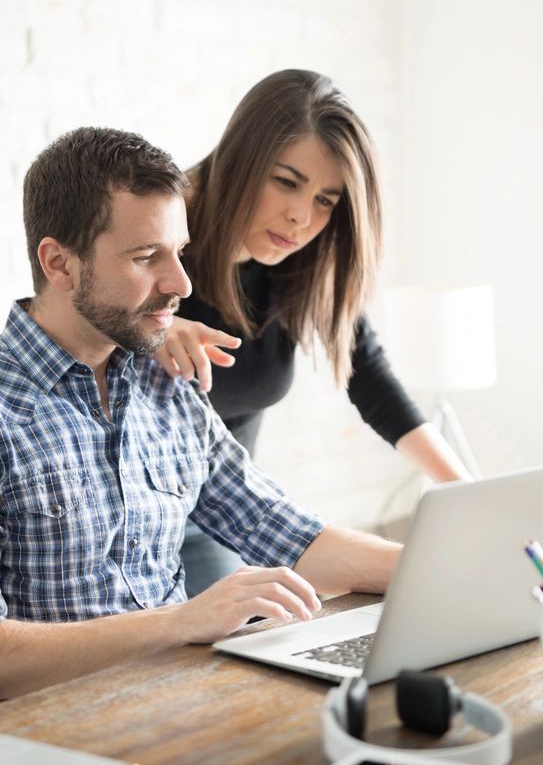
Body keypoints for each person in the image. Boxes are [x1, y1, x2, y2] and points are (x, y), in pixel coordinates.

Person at [0, 126, 402, 706]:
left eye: (179, 252)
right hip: (53, 733)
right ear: (59, 263)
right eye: (146, 257)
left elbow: (288, 534)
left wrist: (454, 564)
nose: (180, 283)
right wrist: (184, 622)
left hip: (175, 709)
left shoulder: (166, 389)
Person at [152, 69, 471, 595]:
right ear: (241, 160)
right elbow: (71, 325)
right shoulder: (156, 235)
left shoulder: (296, 263)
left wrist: (466, 493)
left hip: (228, 514)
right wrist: (151, 329)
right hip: (131, 526)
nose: (301, 217)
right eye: (286, 182)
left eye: (326, 200)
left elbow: (366, 371)